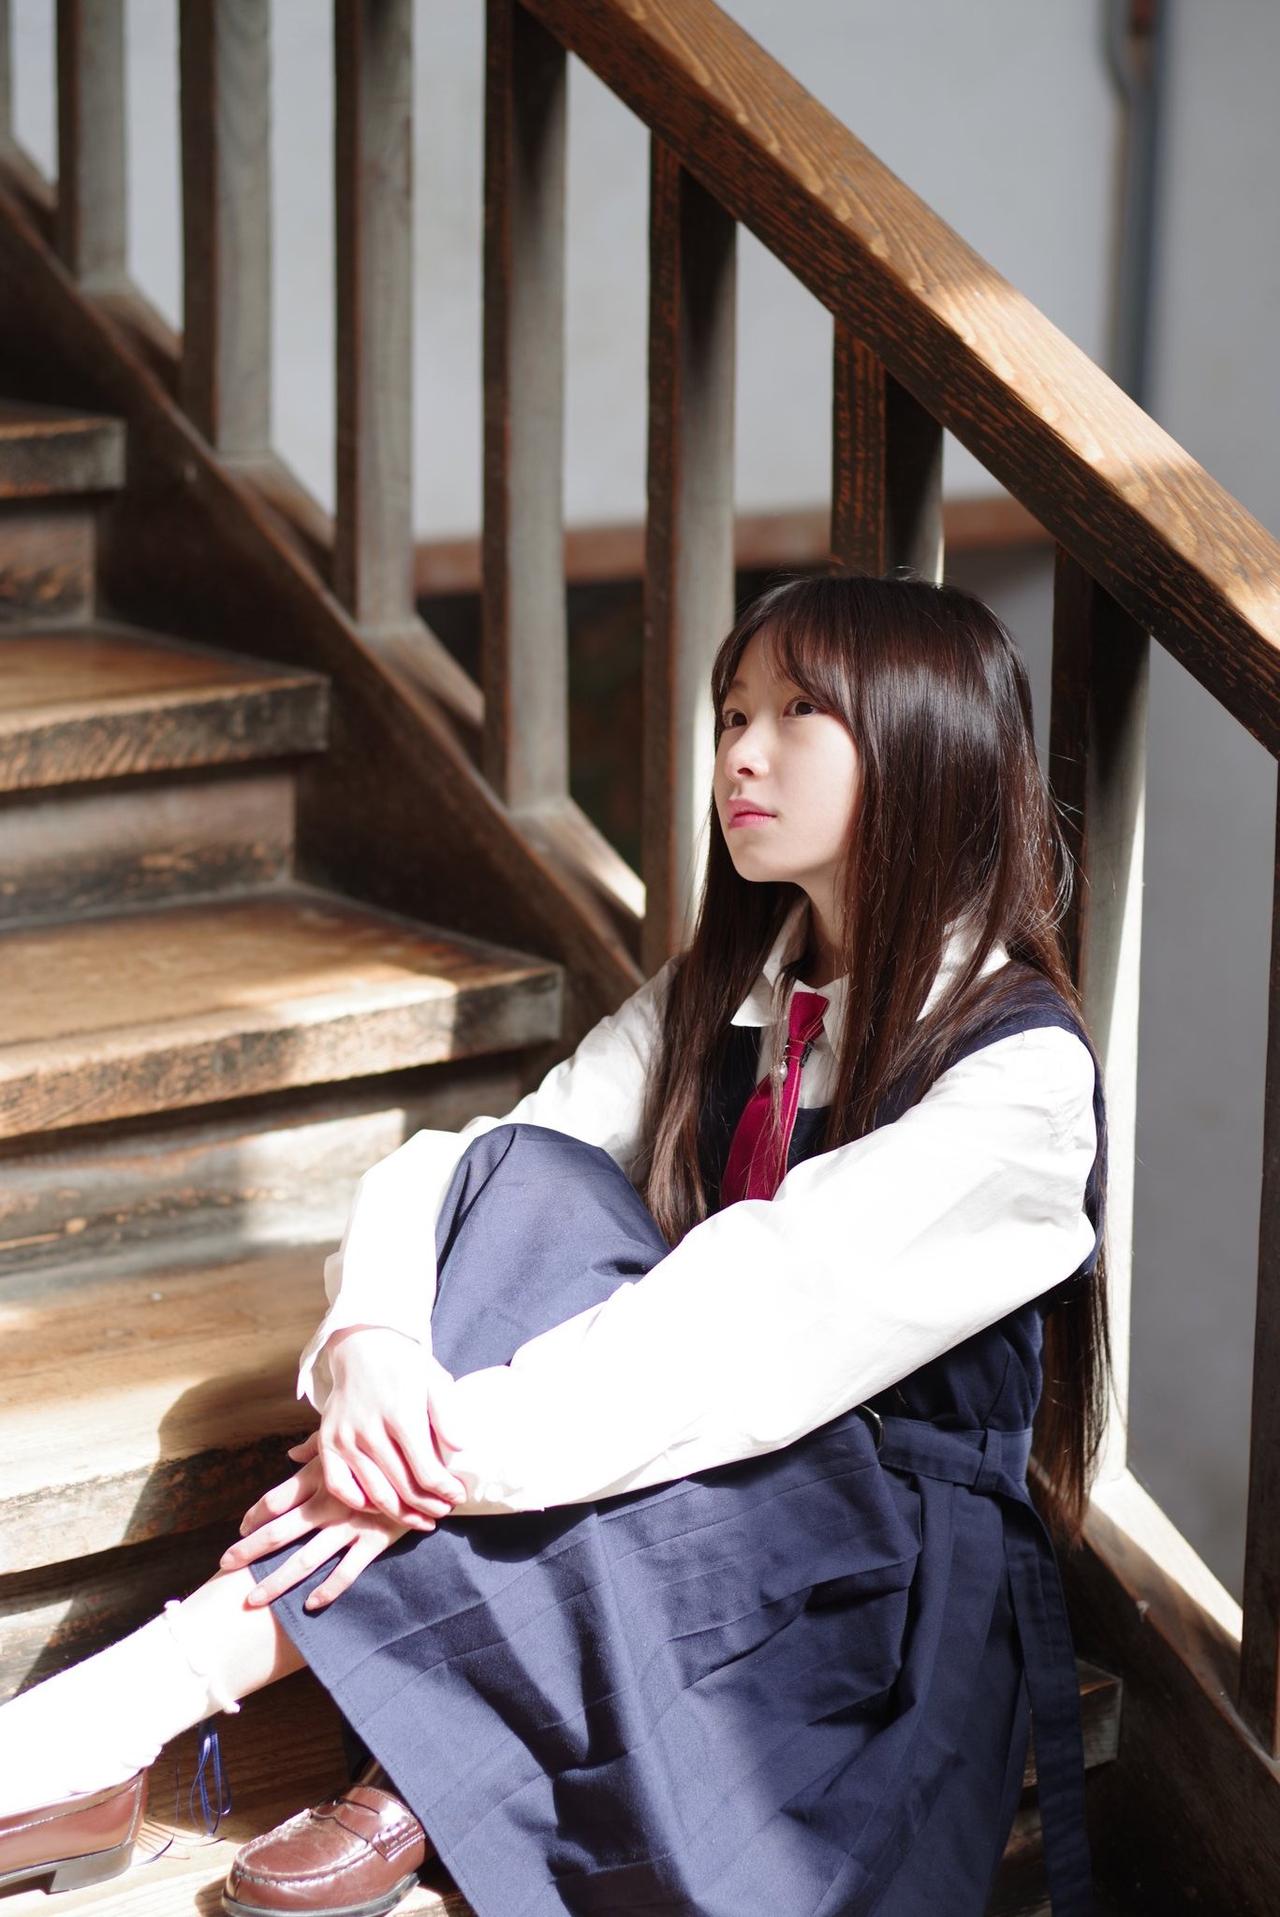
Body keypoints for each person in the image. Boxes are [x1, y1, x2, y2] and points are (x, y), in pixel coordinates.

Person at [0, 571, 1110, 1917]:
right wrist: (369, 1355)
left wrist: (403, 1472)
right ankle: (424, 1750)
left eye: (797, 714)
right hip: (669, 1459)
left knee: (639, 1403)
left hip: (864, 1585)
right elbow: (465, 1169)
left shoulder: (1019, 1076)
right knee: (531, 1184)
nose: (739, 754)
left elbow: (738, 1333)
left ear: (930, 743)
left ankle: (122, 1719)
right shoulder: (722, 993)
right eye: (732, 713)